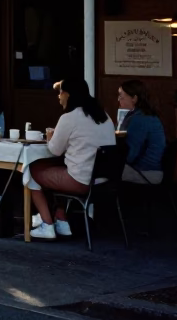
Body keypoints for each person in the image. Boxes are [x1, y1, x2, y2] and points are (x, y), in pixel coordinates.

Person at [28, 79, 118, 239]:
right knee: (59, 168)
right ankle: (61, 220)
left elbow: (55, 150)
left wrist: (51, 136)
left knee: (31, 169)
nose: (59, 97)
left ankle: (47, 224)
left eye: (60, 93)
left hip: (80, 181)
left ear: (67, 94)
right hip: (105, 180)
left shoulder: (69, 118)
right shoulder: (105, 116)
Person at [118, 79, 166, 184]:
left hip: (145, 172)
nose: (118, 99)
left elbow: (130, 156)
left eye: (121, 96)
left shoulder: (139, 119)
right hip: (152, 170)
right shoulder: (146, 114)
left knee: (97, 172)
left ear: (134, 98)